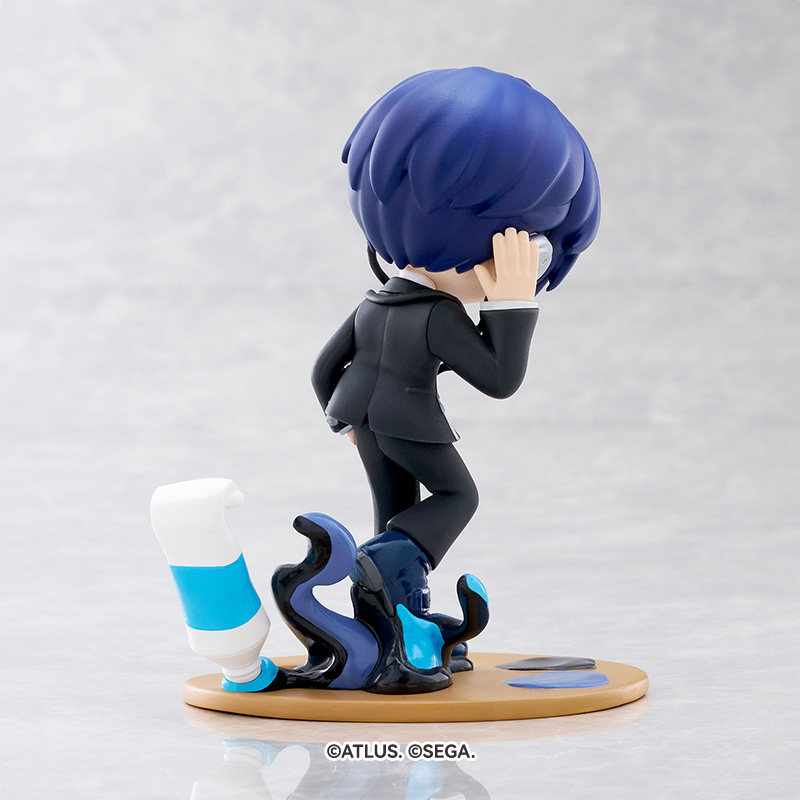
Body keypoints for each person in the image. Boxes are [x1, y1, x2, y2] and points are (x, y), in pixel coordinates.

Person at [312, 68, 600, 689]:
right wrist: (513, 300)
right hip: (406, 421)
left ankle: (395, 621)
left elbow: (323, 369)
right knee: (455, 499)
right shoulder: (439, 315)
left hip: (362, 417)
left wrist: (341, 420)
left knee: (394, 512)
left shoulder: (373, 303)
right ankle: (383, 575)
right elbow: (500, 378)